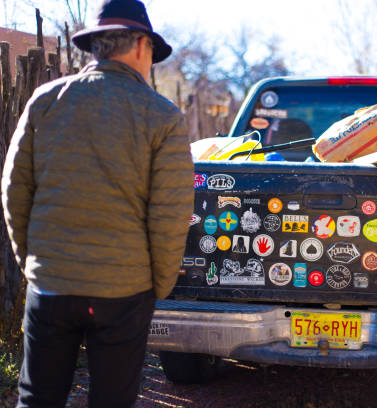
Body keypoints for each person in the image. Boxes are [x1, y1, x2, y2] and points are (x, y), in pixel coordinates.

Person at [1, 1, 194, 407]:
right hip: (124, 291)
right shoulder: (163, 117)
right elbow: (171, 216)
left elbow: (15, 190)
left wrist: (34, 263)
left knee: (37, 398)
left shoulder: (45, 100)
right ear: (142, 46)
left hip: (51, 282)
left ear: (96, 47)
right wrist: (155, 286)